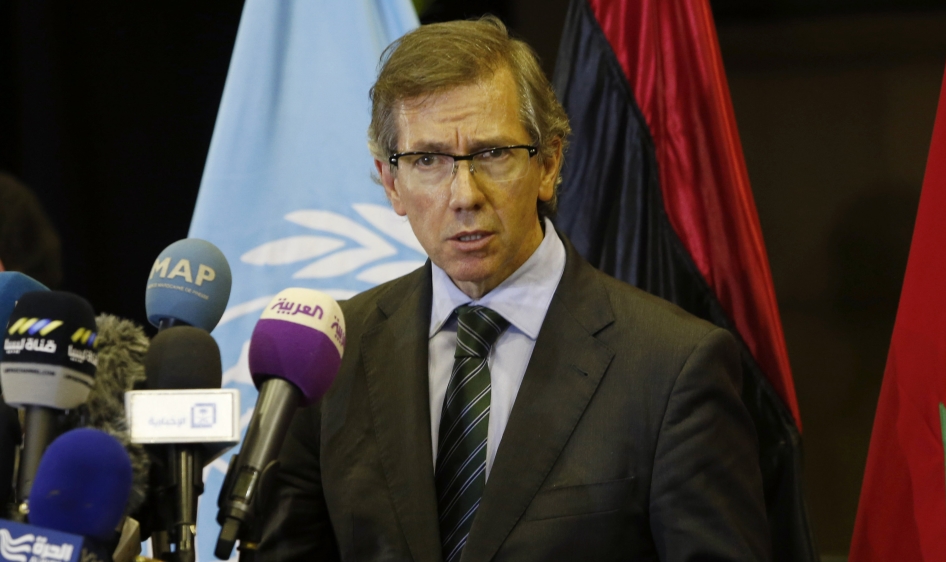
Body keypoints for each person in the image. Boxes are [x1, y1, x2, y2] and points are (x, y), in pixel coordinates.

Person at [259, 16, 769, 562]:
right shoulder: (330, 354)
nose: (464, 195)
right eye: (428, 160)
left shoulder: (672, 367)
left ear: (548, 163)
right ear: (391, 183)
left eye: (491, 154)